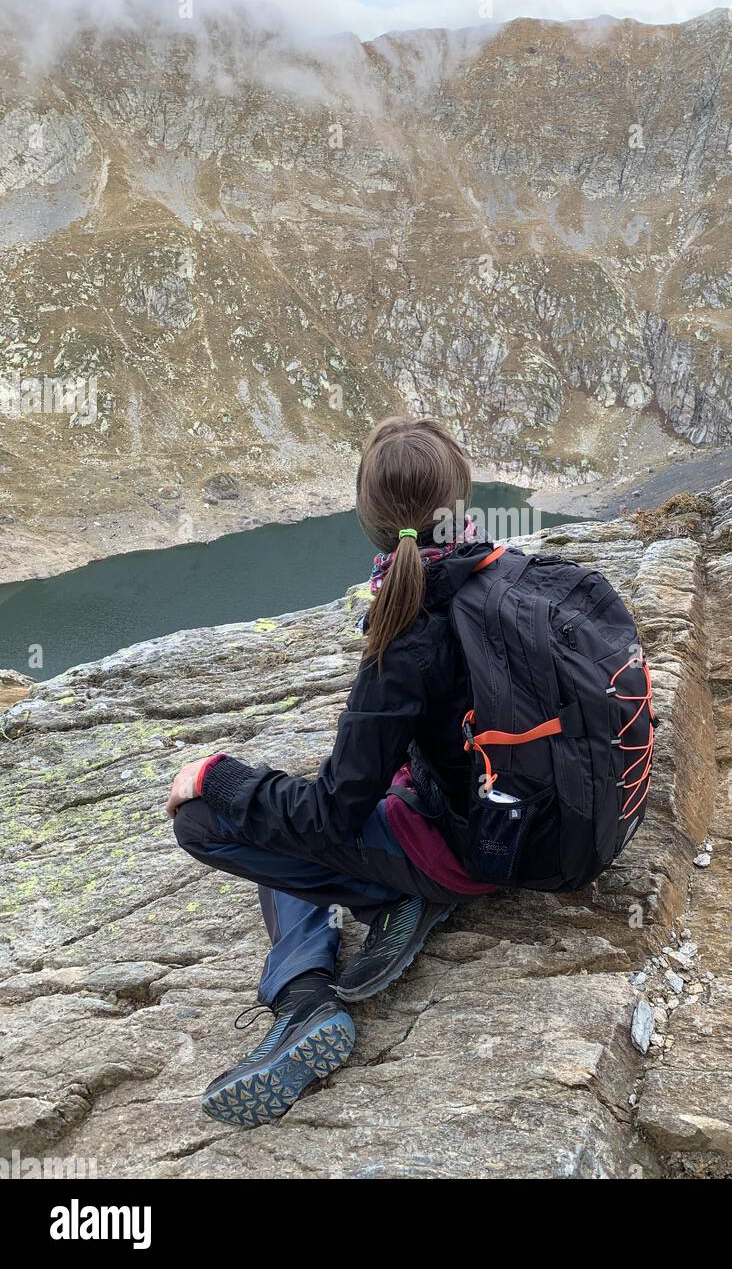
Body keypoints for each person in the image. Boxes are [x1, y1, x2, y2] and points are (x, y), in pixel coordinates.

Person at [165, 417, 502, 1128]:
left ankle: (306, 993)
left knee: (224, 818)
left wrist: (221, 776)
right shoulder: (510, 576)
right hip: (536, 828)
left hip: (467, 854)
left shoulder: (406, 627)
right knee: (291, 802)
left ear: (368, 519)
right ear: (463, 501)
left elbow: (331, 813)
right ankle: (392, 903)